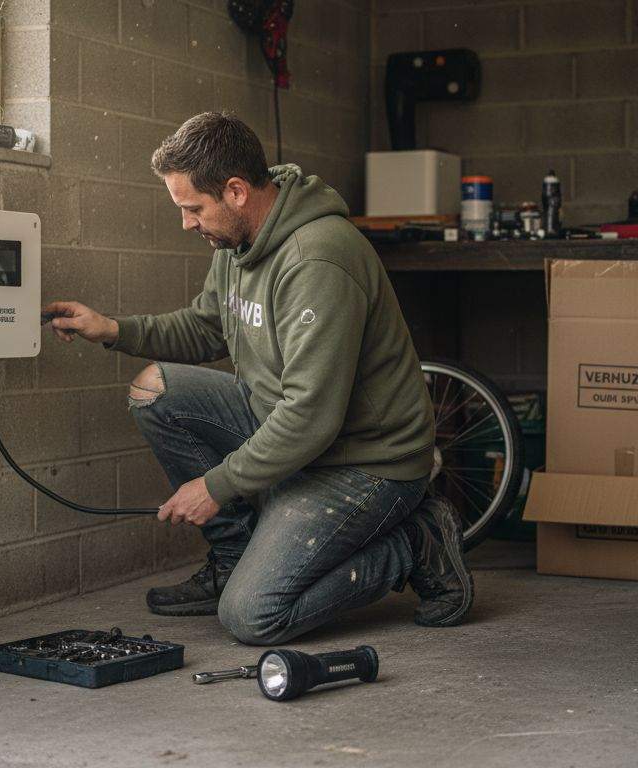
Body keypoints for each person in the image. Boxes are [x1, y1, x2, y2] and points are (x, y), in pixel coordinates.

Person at [43, 111, 471, 646]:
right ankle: (233, 557)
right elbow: (205, 327)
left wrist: (216, 487)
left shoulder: (318, 259)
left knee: (252, 616)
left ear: (237, 191)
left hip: (364, 464)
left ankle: (414, 543)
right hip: (294, 432)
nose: (187, 223)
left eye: (193, 209)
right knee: (155, 389)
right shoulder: (238, 246)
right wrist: (110, 329)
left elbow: (310, 415)